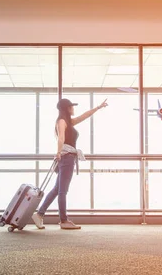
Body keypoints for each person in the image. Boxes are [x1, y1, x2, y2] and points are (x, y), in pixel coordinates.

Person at [32, 97, 108, 230]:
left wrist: (98, 107)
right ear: (67, 108)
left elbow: (84, 116)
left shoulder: (68, 121)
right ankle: (63, 220)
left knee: (57, 189)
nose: (73, 108)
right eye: (72, 106)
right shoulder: (62, 121)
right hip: (66, 158)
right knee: (62, 191)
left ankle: (39, 214)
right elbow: (61, 137)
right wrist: (58, 153)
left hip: (66, 157)